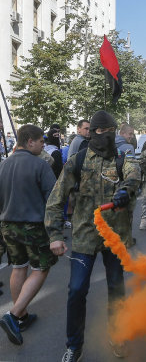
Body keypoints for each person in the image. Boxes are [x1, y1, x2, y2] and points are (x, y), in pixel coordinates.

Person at [45, 110, 141, 361]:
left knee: (117, 288)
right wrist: (55, 234)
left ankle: (118, 336)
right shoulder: (76, 160)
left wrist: (126, 190)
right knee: (76, 290)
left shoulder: (122, 158)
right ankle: (74, 345)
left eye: (111, 132)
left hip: (115, 236)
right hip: (85, 235)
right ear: (93, 132)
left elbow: (134, 176)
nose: (105, 136)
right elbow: (56, 200)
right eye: (101, 132)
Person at [0, 124, 59, 346]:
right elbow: (53, 200)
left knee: (18, 266)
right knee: (41, 268)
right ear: (30, 141)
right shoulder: (40, 165)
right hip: (33, 226)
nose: (44, 144)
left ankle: (21, 316)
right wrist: (56, 233)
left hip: (7, 224)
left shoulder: (3, 165)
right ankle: (13, 315)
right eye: (41, 141)